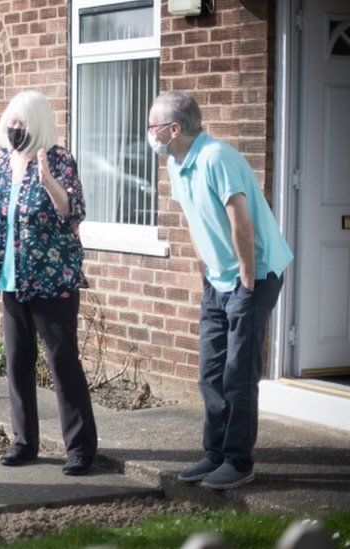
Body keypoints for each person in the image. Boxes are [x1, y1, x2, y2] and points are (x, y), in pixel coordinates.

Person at [0, 91, 98, 476]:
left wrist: (47, 182)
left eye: (21, 123)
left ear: (38, 125)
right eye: (10, 121)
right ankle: (24, 442)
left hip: (50, 279)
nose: (13, 128)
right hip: (9, 279)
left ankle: (79, 449)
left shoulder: (58, 161)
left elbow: (73, 213)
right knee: (17, 363)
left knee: (62, 363)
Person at [148, 91, 292, 490]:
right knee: (211, 370)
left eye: (151, 126)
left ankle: (238, 460)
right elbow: (196, 221)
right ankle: (214, 453)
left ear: (173, 129)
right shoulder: (177, 164)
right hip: (218, 278)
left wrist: (246, 278)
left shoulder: (216, 158)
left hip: (256, 274)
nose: (149, 134)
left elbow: (241, 223)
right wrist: (208, 272)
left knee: (238, 372)